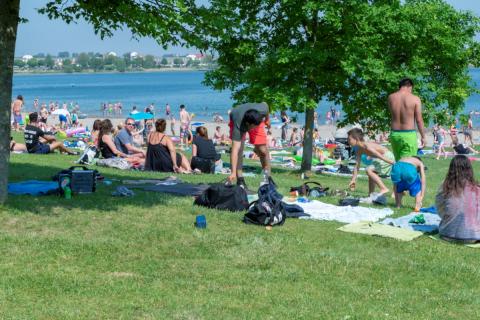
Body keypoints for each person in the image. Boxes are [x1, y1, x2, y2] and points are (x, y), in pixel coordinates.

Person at [436, 155, 480, 243]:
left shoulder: (445, 187)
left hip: (447, 234)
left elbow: (440, 210)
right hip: (474, 236)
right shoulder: (477, 189)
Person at [228, 102, 272, 189]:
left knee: (263, 151)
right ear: (248, 124)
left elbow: (266, 105)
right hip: (237, 120)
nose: (253, 129)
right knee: (239, 149)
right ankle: (240, 180)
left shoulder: (261, 110)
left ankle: (267, 178)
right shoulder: (239, 123)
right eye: (252, 127)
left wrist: (267, 120)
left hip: (254, 118)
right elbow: (235, 150)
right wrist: (232, 172)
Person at [348, 128, 395, 196]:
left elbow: (379, 156)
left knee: (369, 169)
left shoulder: (366, 146)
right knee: (371, 174)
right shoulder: (359, 150)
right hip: (381, 158)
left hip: (386, 156)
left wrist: (392, 162)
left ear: (356, 139)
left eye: (349, 139)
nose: (348, 141)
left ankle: (383, 188)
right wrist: (353, 180)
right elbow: (357, 166)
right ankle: (371, 194)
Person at [388, 78, 426, 161]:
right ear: (409, 86)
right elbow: (419, 120)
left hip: (395, 134)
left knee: (398, 162)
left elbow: (393, 115)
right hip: (408, 134)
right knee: (410, 163)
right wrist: (423, 137)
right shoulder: (415, 99)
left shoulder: (391, 97)